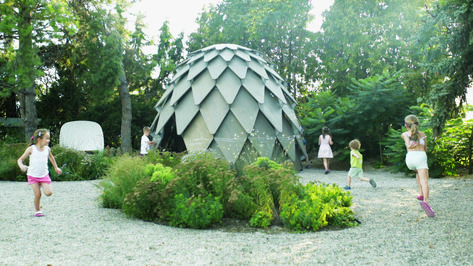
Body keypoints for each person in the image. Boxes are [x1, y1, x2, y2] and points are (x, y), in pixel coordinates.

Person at [17, 129, 62, 217]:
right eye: (47, 138)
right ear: (39, 139)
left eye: (49, 139)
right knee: (38, 194)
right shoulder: (31, 149)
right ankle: (37, 210)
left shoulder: (47, 149)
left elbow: (51, 158)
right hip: (33, 175)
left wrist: (56, 167)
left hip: (43, 175)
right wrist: (21, 166)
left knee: (49, 193)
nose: (48, 141)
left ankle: (42, 184)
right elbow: (20, 160)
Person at [402, 114, 434, 217]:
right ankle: (426, 202)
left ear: (406, 125)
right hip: (420, 156)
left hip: (410, 159)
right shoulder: (423, 134)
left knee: (418, 172)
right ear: (418, 124)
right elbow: (425, 149)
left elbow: (407, 144)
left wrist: (410, 145)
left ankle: (420, 193)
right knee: (425, 180)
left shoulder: (405, 134)